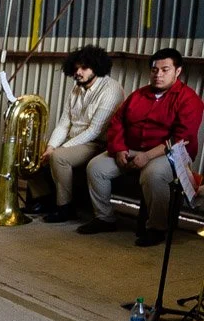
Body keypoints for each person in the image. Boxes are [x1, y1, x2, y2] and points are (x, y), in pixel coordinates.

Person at [80, 48, 204, 245]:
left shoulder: (189, 99)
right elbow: (117, 122)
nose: (158, 74)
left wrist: (147, 156)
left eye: (165, 70)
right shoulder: (138, 95)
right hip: (131, 149)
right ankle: (104, 218)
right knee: (96, 168)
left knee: (153, 174)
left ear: (178, 71)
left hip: (169, 154)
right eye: (154, 70)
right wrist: (119, 149)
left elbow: (182, 138)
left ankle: (157, 228)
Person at [34, 45, 125, 223]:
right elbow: (64, 123)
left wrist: (59, 150)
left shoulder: (111, 89)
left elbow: (95, 130)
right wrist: (51, 146)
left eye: (84, 68)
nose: (78, 72)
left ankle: (65, 207)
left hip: (97, 143)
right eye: (76, 68)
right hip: (75, 140)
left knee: (59, 157)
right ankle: (43, 199)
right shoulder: (77, 88)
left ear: (96, 67)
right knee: (35, 152)